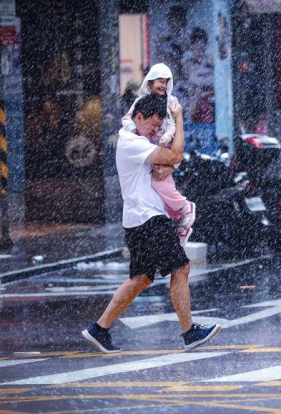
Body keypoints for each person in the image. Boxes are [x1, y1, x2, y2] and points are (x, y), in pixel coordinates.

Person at [82, 94, 221, 353]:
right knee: (180, 267)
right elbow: (176, 153)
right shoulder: (132, 142)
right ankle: (190, 332)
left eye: (160, 127)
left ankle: (99, 329)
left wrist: (169, 165)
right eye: (154, 125)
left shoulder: (137, 140)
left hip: (139, 219)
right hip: (148, 218)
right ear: (138, 118)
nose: (156, 131)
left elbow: (170, 162)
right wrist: (178, 118)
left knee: (141, 279)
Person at [121, 64, 196, 245]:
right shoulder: (141, 103)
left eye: (166, 82)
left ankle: (185, 207)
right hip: (149, 153)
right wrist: (135, 133)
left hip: (163, 150)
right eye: (159, 81)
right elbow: (126, 120)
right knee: (159, 188)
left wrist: (171, 163)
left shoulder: (172, 103)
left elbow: (174, 133)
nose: (163, 85)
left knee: (160, 183)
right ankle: (181, 225)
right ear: (150, 82)